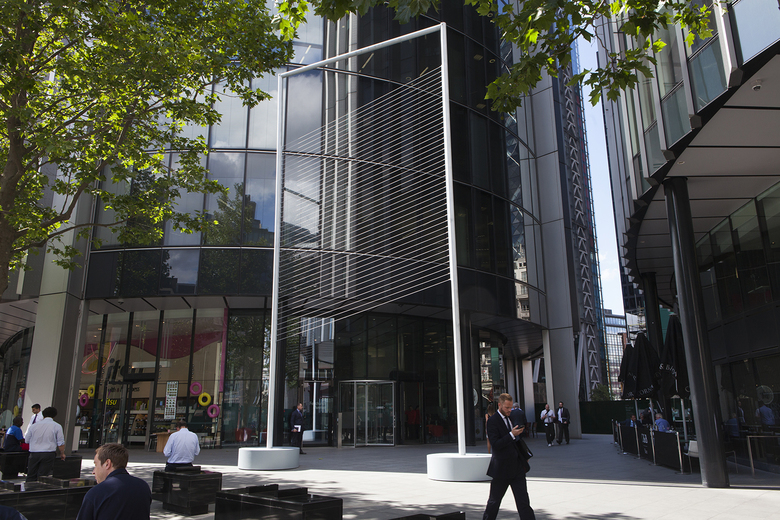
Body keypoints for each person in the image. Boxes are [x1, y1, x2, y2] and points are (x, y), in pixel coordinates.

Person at [482, 393, 535, 520]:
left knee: (523, 502)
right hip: (501, 469)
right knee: (494, 502)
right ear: (499, 405)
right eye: (507, 407)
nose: (509, 410)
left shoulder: (510, 418)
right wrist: (511, 435)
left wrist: (523, 454)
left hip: (517, 467)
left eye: (510, 407)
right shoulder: (493, 421)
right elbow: (496, 444)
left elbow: (515, 441)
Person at [76, 443, 151, 520]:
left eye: (96, 465)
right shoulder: (143, 487)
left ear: (107, 464)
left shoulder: (96, 493)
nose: (93, 471)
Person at [25, 406, 65, 481]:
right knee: (43, 476)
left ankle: (29, 487)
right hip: (48, 453)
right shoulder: (57, 426)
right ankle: (40, 487)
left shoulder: (34, 426)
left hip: (34, 453)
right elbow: (60, 442)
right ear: (54, 415)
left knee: (31, 474)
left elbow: (27, 440)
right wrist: (62, 453)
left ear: (43, 415)